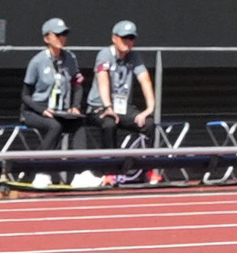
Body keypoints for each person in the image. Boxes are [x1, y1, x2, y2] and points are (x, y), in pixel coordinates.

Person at [83, 20, 156, 152]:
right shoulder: (105, 54)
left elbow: (145, 80)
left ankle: (144, 168)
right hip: (99, 107)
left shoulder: (134, 56)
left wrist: (149, 109)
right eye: (124, 38)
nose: (128, 41)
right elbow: (103, 80)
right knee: (109, 124)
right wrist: (108, 107)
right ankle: (110, 169)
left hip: (121, 107)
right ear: (114, 38)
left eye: (131, 38)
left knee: (148, 124)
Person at [19, 17, 84, 152]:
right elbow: (25, 95)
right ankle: (39, 166)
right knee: (55, 126)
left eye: (64, 34)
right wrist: (42, 110)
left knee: (79, 123)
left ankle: (82, 169)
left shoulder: (70, 58)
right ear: (46, 38)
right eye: (57, 35)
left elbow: (77, 85)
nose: (62, 38)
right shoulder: (37, 61)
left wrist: (75, 106)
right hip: (35, 111)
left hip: (60, 111)